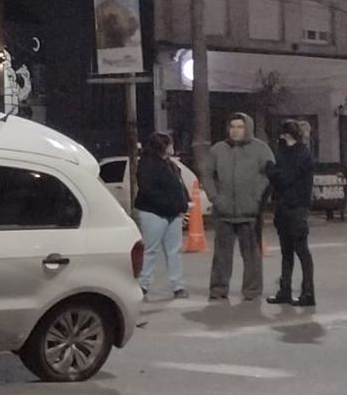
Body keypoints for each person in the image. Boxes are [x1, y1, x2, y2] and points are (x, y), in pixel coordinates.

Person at [201, 112, 275, 301]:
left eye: (240, 127)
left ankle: (252, 291)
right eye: (232, 126)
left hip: (250, 213)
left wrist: (258, 197)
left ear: (247, 128)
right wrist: (215, 197)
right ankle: (218, 289)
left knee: (252, 256)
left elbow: (270, 174)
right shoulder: (218, 149)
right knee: (221, 256)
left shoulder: (261, 149)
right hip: (224, 212)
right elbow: (207, 174)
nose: (235, 131)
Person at [134, 132, 189, 300]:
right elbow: (149, 190)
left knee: (174, 251)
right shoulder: (148, 164)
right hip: (154, 213)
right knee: (151, 250)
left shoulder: (170, 164)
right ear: (163, 146)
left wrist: (183, 204)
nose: (173, 147)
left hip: (172, 214)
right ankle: (143, 286)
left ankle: (177, 285)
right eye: (170, 144)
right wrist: (171, 205)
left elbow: (179, 187)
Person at [266, 119, 315, 307]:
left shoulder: (302, 154)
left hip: (296, 208)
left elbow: (285, 177)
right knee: (286, 251)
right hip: (284, 207)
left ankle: (308, 292)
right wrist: (275, 172)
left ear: (287, 135)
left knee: (301, 250)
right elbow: (279, 175)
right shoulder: (284, 153)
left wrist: (272, 172)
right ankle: (285, 290)